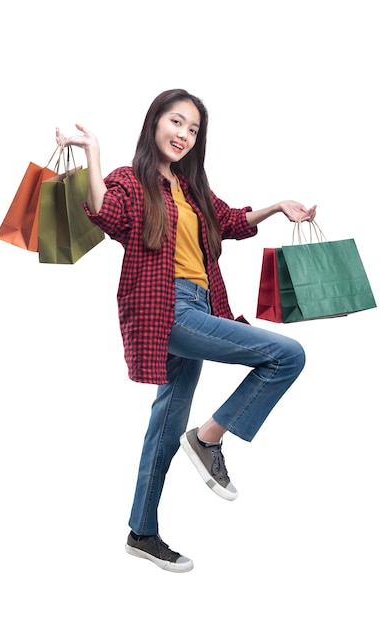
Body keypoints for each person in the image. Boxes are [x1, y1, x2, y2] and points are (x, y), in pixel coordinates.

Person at [56, 88, 316, 574]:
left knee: (165, 427)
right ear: (155, 122)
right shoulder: (130, 181)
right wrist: (93, 153)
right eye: (177, 123)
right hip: (165, 309)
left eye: (193, 130)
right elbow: (106, 214)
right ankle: (210, 438)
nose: (184, 135)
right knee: (287, 355)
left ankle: (142, 532)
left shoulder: (192, 189)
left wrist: (280, 206)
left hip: (199, 304)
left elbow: (232, 221)